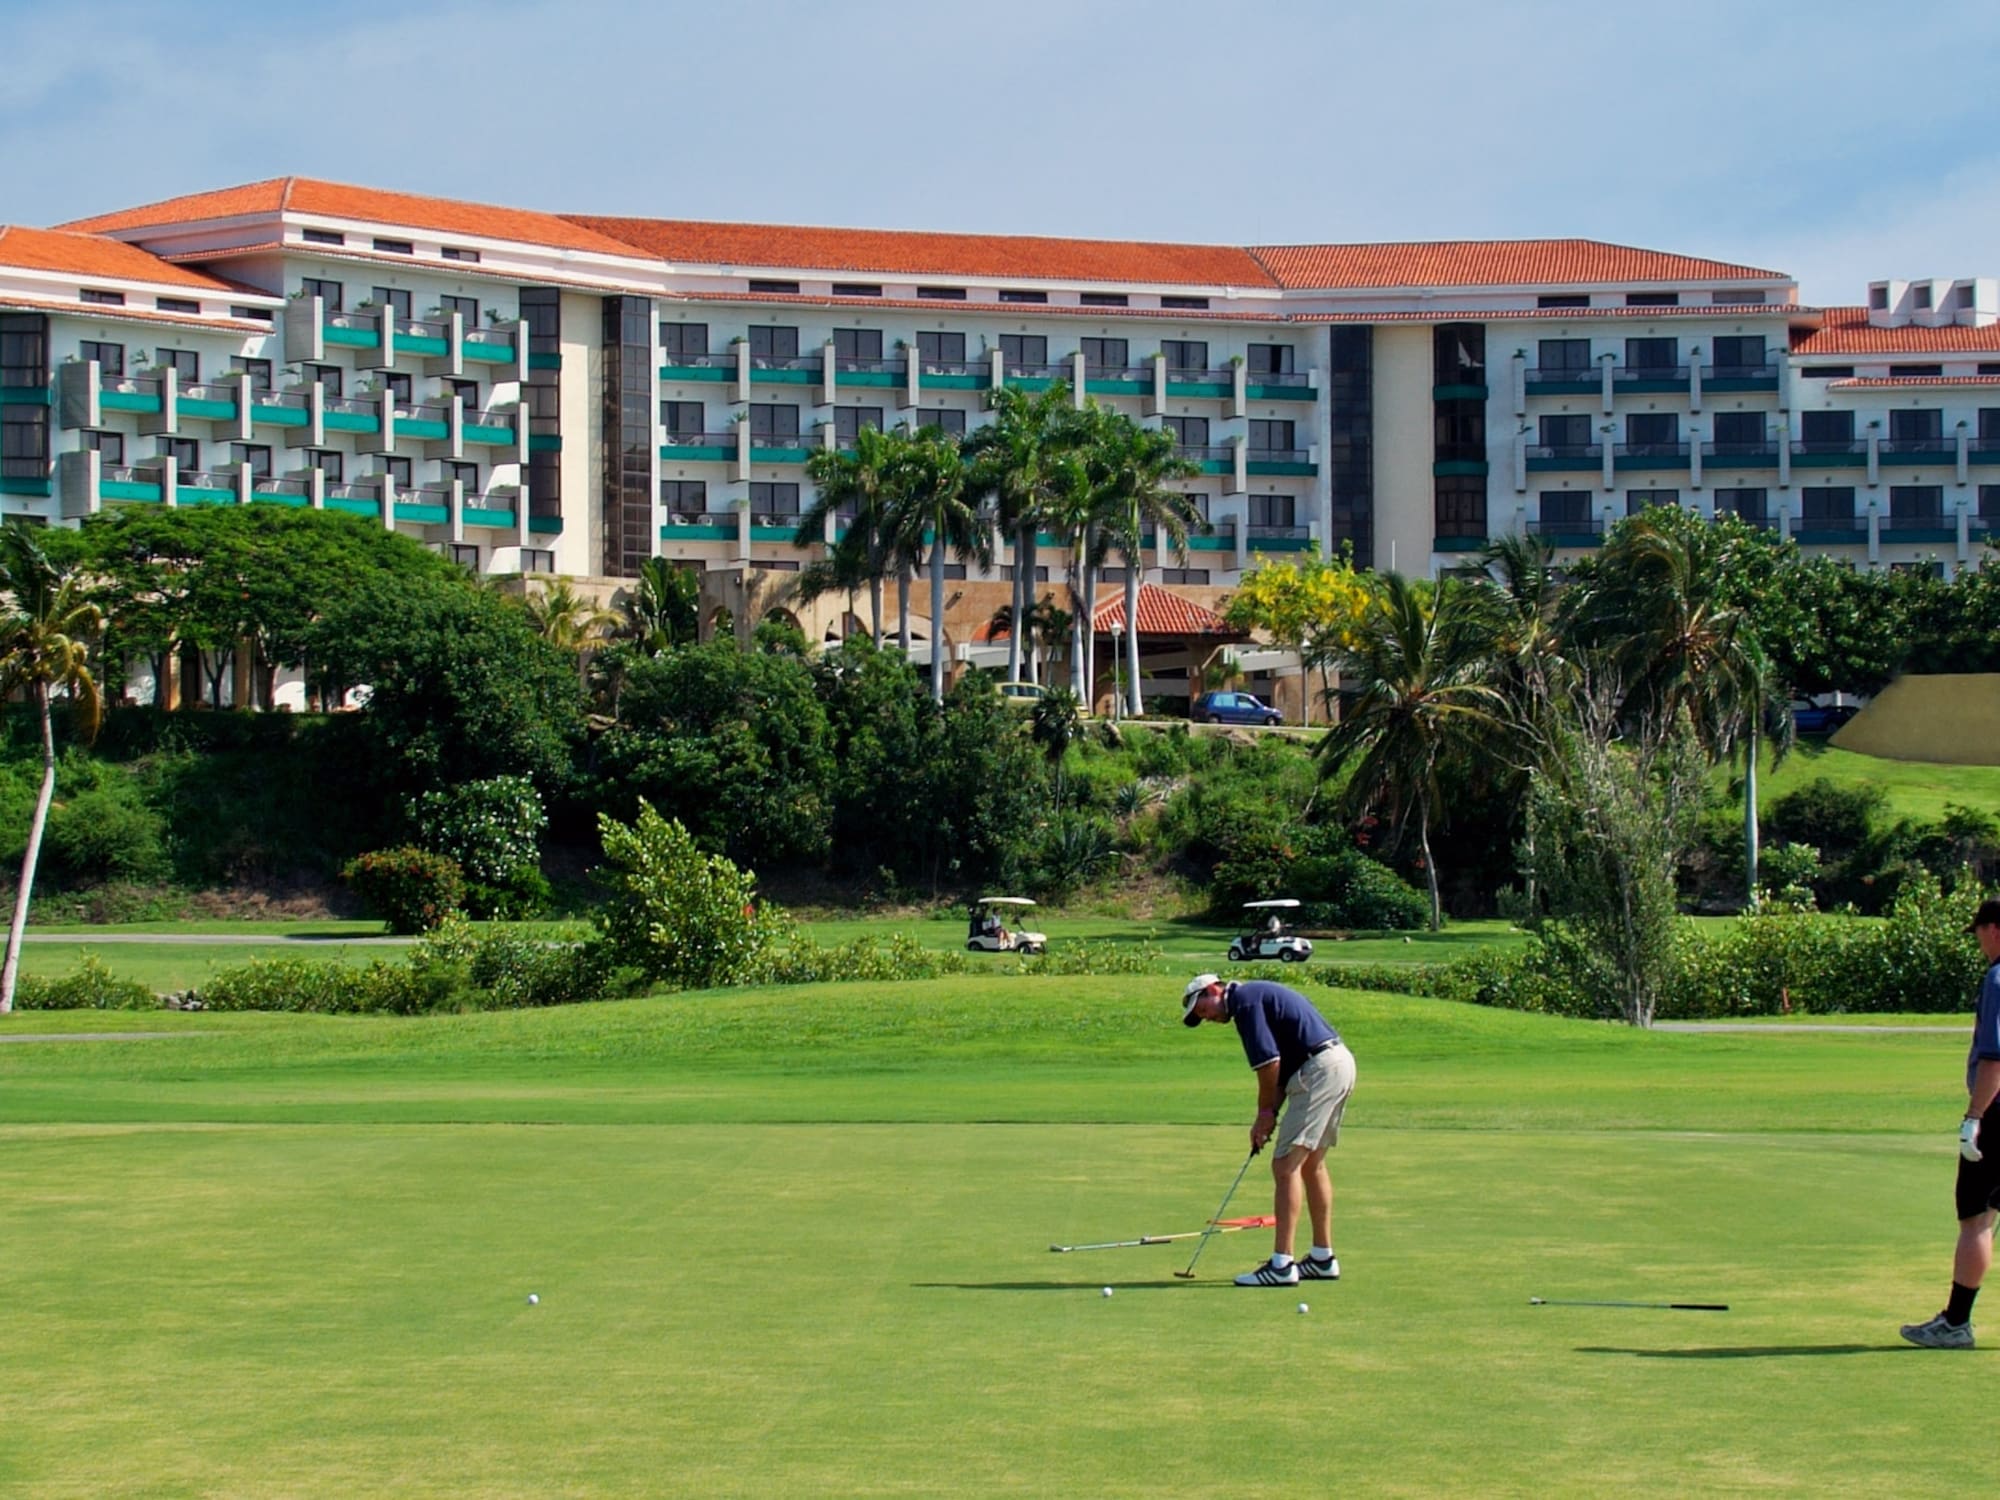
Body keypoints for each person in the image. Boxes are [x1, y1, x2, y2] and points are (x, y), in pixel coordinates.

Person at [1181, 972, 1358, 1287]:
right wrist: (1270, 1114)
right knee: (1311, 1164)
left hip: (1318, 1070)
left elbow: (1269, 1064)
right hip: (1337, 1064)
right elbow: (1278, 1072)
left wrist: (1264, 1114)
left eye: (1203, 1009)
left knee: (1285, 1165)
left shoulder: (1246, 1003)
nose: (1206, 1017)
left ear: (1213, 989)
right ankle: (1322, 1258)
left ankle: (1281, 1264)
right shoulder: (1254, 998)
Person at [1902, 897, 2000, 1348]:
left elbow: (1995, 1061)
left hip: (1998, 1114)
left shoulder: (1998, 978)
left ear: (1994, 929)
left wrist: (1973, 1118)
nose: (1978, 940)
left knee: (1976, 1218)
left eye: (1979, 931)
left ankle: (1956, 1323)